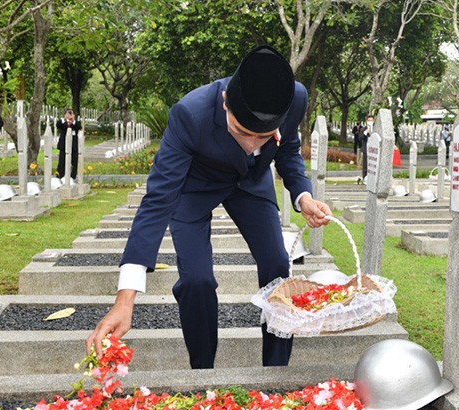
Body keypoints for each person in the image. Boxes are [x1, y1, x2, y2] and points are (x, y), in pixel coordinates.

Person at [85, 45, 332, 368]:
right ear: (226, 101)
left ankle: (276, 367)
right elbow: (157, 201)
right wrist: (125, 299)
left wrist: (303, 196)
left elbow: (287, 153)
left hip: (252, 185)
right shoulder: (190, 114)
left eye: (262, 137)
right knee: (196, 280)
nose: (251, 145)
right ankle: (202, 370)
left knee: (276, 265)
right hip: (196, 186)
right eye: (243, 132)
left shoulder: (294, 97)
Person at [56, 109, 83, 180]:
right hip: (63, 145)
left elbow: (78, 127)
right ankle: (60, 175)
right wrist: (65, 119)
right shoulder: (62, 122)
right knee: (62, 161)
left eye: (71, 113)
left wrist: (73, 120)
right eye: (68, 113)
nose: (70, 115)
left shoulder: (76, 123)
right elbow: (58, 125)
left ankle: (73, 176)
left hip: (73, 145)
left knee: (74, 161)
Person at [358, 115, 375, 180]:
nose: (370, 122)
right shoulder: (363, 129)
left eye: (371, 120)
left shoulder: (376, 129)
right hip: (366, 149)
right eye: (369, 120)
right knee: (365, 165)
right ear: (366, 121)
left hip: (374, 150)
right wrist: (365, 132)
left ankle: (373, 179)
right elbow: (360, 138)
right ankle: (365, 178)